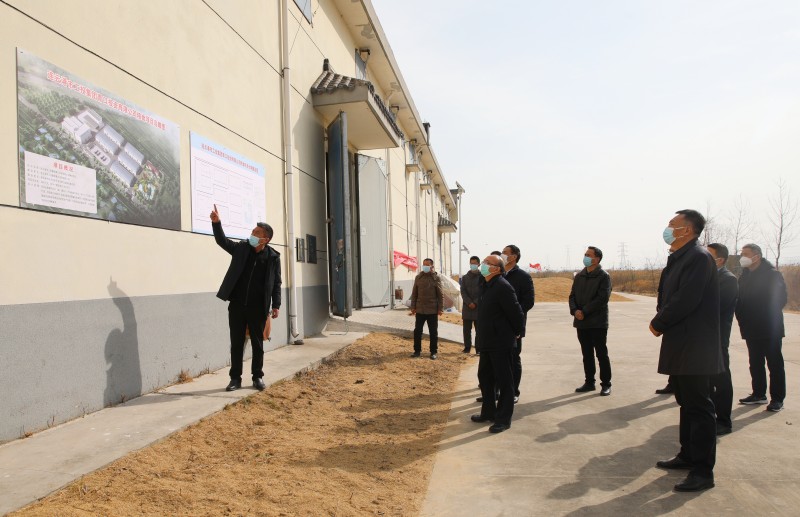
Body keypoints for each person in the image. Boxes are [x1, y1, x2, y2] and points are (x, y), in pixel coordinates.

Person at [650, 209, 723, 493]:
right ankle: (688, 455)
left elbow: (686, 298)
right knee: (686, 403)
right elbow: (667, 295)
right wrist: (662, 315)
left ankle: (703, 472)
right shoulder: (679, 257)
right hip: (681, 342)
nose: (668, 229)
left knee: (699, 406)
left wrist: (659, 322)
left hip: (696, 345)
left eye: (673, 225)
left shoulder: (698, 257)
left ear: (688, 230)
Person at [211, 205, 281, 392]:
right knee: (236, 343)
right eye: (252, 231)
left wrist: (276, 305)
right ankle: (235, 378)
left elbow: (277, 283)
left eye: (256, 233)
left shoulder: (273, 257)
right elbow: (222, 241)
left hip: (258, 307)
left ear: (265, 239)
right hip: (237, 305)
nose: (252, 234)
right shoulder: (242, 248)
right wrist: (217, 223)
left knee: (258, 344)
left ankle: (257, 377)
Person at [470, 254, 524, 433]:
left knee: (504, 381)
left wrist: (517, 332)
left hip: (501, 341)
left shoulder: (503, 286)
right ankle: (488, 412)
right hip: (487, 340)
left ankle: (503, 419)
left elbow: (516, 312)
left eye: (488, 263)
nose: (483, 265)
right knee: (485, 378)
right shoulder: (485, 284)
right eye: (484, 262)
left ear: (496, 269)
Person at [735, 243, 788, 412]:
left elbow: (780, 299)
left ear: (756, 256)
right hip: (750, 327)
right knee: (755, 362)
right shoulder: (744, 276)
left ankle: (777, 399)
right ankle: (759, 394)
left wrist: (762, 314)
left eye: (746, 254)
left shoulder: (772, 275)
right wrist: (742, 318)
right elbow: (739, 300)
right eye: (742, 253)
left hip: (769, 327)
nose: (742, 257)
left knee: (774, 364)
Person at [569, 246, 613, 396]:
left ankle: (606, 384)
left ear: (597, 259)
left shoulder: (603, 276)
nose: (586, 257)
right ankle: (589, 382)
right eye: (585, 254)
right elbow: (572, 296)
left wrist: (584, 311)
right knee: (586, 354)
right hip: (581, 322)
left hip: (597, 322)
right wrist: (575, 311)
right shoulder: (579, 276)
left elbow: (602, 298)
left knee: (601, 354)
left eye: (589, 255)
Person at [707, 243, 738, 434]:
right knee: (707, 381)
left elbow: (715, 308)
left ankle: (724, 420)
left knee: (722, 380)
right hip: (704, 338)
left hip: (718, 338)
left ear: (720, 260)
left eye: (708, 255)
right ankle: (709, 417)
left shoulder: (728, 280)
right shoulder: (708, 277)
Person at [501, 244, 535, 403]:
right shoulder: (498, 273)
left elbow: (528, 301)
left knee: (513, 358)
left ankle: (514, 391)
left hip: (514, 324)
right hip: (497, 323)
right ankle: (497, 391)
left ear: (513, 257)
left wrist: (513, 313)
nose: (502, 255)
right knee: (498, 359)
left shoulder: (523, 276)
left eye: (505, 252)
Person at [410, 258, 444, 360]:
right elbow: (414, 293)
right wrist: (413, 306)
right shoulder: (418, 277)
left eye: (427, 265)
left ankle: (433, 352)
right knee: (417, 331)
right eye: (424, 264)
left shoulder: (436, 278)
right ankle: (417, 351)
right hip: (420, 309)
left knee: (433, 332)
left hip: (432, 310)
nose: (425, 267)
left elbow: (440, 295)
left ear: (432, 266)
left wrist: (440, 308)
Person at [460, 256, 482, 354]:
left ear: (478, 264)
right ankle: (467, 347)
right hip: (467, 307)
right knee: (466, 330)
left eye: (475, 263)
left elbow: (483, 291)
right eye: (471, 263)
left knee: (479, 330)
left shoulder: (483, 277)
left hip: (478, 308)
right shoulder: (465, 277)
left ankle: (478, 349)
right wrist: (469, 302)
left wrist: (476, 302)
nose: (473, 265)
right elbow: (463, 291)